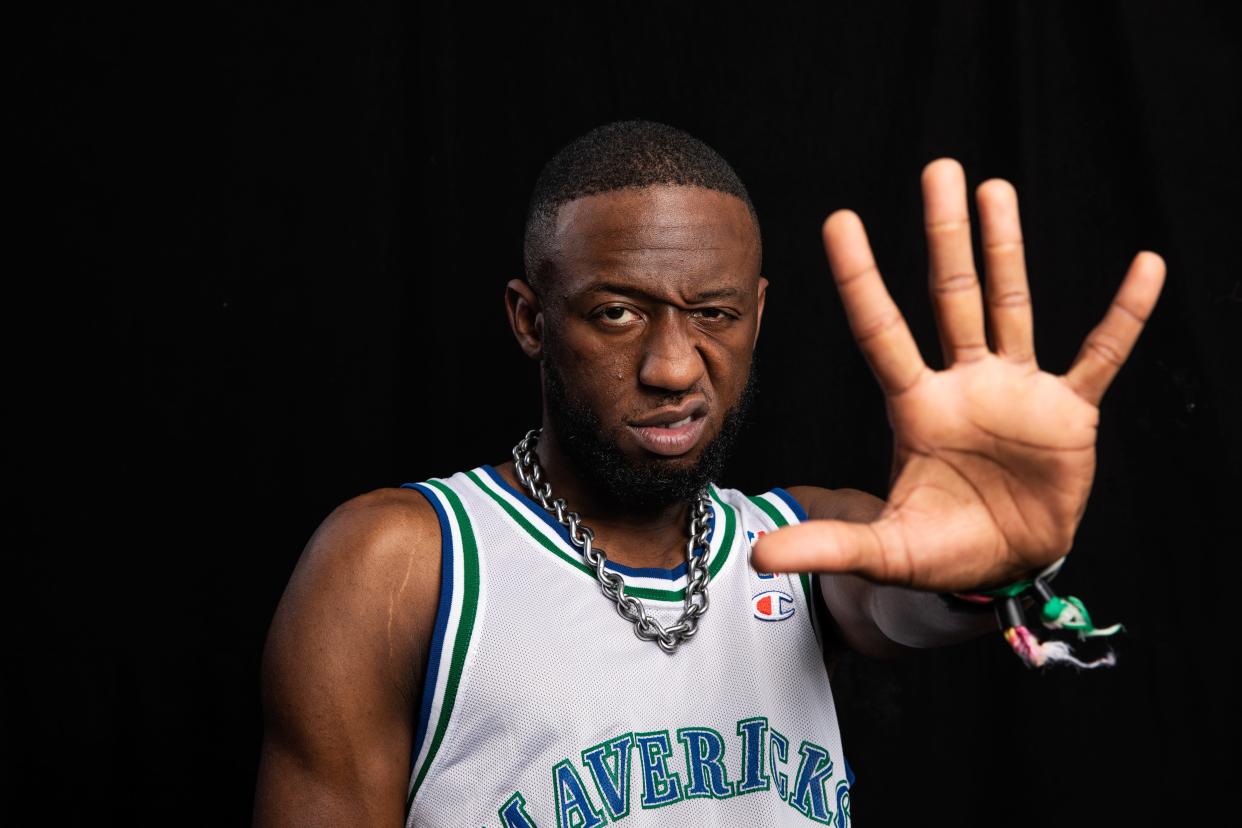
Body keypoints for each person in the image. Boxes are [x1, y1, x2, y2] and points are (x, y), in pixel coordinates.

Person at [253, 120, 1165, 826]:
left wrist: (994, 569)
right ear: (531, 319)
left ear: (758, 315)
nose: (675, 368)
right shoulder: (402, 565)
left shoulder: (799, 544)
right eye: (618, 314)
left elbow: (904, 599)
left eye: (714, 315)